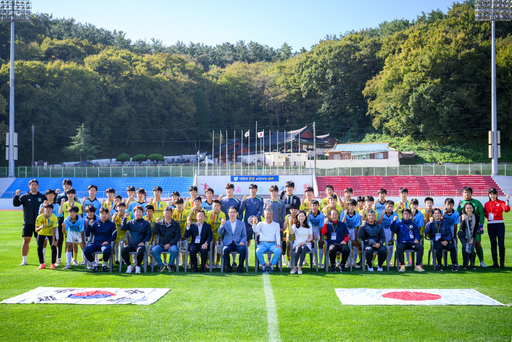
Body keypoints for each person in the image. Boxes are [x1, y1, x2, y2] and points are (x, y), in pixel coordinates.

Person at [13, 179, 47, 266]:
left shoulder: (42, 197)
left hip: (39, 223)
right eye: (32, 185)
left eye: (35, 184)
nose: (34, 186)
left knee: (40, 242)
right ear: (29, 186)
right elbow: (16, 204)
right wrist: (17, 195)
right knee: (26, 241)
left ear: (38, 186)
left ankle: (42, 260)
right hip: (28, 222)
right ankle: (24, 260)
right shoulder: (24, 196)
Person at [457, 186, 487, 267]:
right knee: (465, 246)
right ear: (462, 194)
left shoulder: (477, 202)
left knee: (477, 243)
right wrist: (458, 207)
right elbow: (457, 214)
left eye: (468, 192)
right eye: (465, 192)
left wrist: (481, 224)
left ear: (471, 193)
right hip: (465, 229)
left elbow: (481, 213)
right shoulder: (461, 203)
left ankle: (481, 261)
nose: (467, 194)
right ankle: (465, 263)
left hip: (475, 228)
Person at [390, 208, 425, 272]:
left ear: (410, 215)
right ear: (402, 215)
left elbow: (417, 234)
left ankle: (417, 266)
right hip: (402, 243)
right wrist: (393, 221)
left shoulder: (413, 225)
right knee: (399, 247)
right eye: (404, 214)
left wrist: (417, 239)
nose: (406, 215)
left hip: (412, 243)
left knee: (420, 247)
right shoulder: (398, 224)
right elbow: (393, 229)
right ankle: (402, 266)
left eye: (407, 214)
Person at [84, 207, 117, 272]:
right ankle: (94, 264)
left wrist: (108, 242)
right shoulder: (95, 224)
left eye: (105, 214)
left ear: (108, 214)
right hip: (96, 243)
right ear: (99, 215)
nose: (104, 215)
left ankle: (104, 264)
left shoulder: (112, 224)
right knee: (86, 250)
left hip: (105, 243)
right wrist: (89, 225)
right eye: (102, 214)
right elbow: (87, 234)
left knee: (106, 250)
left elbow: (114, 237)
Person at [121, 205, 151, 274]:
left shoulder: (146, 223)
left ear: (142, 213)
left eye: (140, 212)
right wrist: (124, 219)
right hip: (131, 244)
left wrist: (143, 242)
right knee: (123, 250)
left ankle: (138, 266)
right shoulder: (130, 222)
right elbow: (123, 228)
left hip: (140, 244)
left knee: (140, 250)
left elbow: (148, 235)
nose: (138, 213)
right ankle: (129, 266)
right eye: (137, 212)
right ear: (134, 213)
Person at [484, 188, 510, 268]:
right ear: (488, 195)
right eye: (491, 194)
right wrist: (490, 218)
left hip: (500, 225)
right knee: (493, 244)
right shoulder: (487, 203)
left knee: (501, 244)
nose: (493, 196)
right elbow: (485, 213)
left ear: (497, 194)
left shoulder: (501, 202)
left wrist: (507, 201)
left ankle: (502, 262)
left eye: (494, 194)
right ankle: (495, 262)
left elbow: (506, 210)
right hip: (490, 225)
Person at [152, 207, 181, 272]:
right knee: (154, 250)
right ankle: (160, 265)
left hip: (171, 244)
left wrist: (169, 244)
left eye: (169, 213)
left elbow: (177, 236)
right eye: (166, 213)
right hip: (161, 244)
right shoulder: (159, 223)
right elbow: (154, 232)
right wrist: (156, 224)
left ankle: (170, 265)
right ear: (163, 214)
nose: (167, 215)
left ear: (171, 214)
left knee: (174, 250)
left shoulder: (176, 224)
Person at [218, 206, 247, 273]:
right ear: (228, 213)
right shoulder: (225, 223)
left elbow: (244, 235)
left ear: (237, 213)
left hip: (238, 243)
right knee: (225, 249)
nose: (232, 214)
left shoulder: (242, 224)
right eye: (230, 212)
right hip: (228, 244)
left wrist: (242, 241)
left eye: (234, 212)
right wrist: (222, 225)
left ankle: (240, 266)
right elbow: (220, 232)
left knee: (243, 249)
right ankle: (228, 266)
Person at [254, 208, 282, 272]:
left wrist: (278, 244)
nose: (268, 216)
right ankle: (263, 265)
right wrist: (254, 224)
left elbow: (278, 234)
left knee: (278, 251)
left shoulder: (276, 224)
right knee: (258, 251)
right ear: (264, 215)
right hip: (263, 244)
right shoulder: (260, 223)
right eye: (267, 214)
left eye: (270, 214)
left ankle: (272, 264)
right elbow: (255, 230)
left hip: (272, 244)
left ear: (272, 215)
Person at [240, 183, 264, 248]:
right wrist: (242, 201)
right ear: (249, 190)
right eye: (251, 189)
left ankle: (258, 257)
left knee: (258, 240)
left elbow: (261, 210)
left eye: (254, 189)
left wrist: (256, 217)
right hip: (247, 223)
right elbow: (241, 209)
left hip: (257, 223)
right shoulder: (246, 200)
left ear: (256, 190)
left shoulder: (260, 199)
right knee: (248, 241)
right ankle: (247, 257)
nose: (253, 190)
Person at [34, 204, 58, 270]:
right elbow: (36, 230)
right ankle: (42, 263)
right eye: (47, 208)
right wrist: (41, 227)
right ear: (44, 209)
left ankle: (53, 264)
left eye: (50, 209)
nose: (48, 210)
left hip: (50, 234)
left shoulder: (54, 217)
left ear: (52, 210)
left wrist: (53, 240)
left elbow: (54, 229)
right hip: (41, 233)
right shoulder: (39, 217)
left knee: (53, 247)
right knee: (39, 247)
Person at [289, 210, 313, 275]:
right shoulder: (295, 225)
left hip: (306, 243)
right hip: (297, 243)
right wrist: (289, 222)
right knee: (298, 248)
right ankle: (294, 267)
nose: (301, 218)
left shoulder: (309, 225)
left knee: (303, 248)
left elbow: (311, 238)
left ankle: (300, 267)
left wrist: (305, 242)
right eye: (299, 216)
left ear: (305, 217)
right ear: (297, 217)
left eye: (302, 216)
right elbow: (291, 232)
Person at [377, 200, 398, 267]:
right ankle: (379, 262)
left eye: (391, 206)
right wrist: (382, 215)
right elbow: (378, 223)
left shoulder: (395, 215)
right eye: (388, 206)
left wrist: (393, 234)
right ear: (385, 206)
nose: (390, 208)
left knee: (390, 247)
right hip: (381, 231)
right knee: (380, 247)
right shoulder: (380, 213)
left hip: (390, 231)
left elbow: (397, 226)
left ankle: (388, 262)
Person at [458, 202, 479, 270]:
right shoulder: (462, 216)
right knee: (466, 249)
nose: (469, 209)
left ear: (473, 208)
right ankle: (465, 265)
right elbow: (462, 228)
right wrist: (463, 220)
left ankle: (472, 264)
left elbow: (476, 228)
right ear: (464, 209)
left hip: (472, 236)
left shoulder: (476, 216)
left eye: (470, 208)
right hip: (463, 235)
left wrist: (472, 238)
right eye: (467, 208)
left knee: (472, 249)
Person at [206, 200, 226, 268]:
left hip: (218, 233)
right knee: (211, 245)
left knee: (219, 246)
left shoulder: (223, 214)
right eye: (215, 206)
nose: (216, 207)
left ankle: (217, 263)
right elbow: (206, 225)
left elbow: (222, 227)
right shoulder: (209, 213)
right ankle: (210, 262)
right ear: (212, 206)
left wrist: (220, 236)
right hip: (210, 233)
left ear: (220, 207)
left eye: (218, 206)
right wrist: (211, 218)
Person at [343, 200, 362, 268]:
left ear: (355, 206)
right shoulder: (343, 212)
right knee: (346, 245)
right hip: (345, 229)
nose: (351, 207)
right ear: (348, 206)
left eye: (353, 205)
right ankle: (347, 262)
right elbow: (343, 224)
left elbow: (356, 227)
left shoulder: (357, 215)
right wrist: (345, 215)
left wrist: (355, 239)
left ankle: (354, 262)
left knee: (355, 244)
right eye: (350, 205)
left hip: (353, 229)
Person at [307, 200, 325, 268]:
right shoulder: (308, 214)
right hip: (310, 229)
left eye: (316, 205)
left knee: (320, 243)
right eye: (313, 206)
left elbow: (321, 226)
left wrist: (320, 236)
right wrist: (308, 215)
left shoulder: (321, 215)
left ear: (318, 206)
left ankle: (320, 262)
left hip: (318, 229)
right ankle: (312, 262)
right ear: (310, 207)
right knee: (311, 244)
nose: (314, 207)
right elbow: (306, 224)